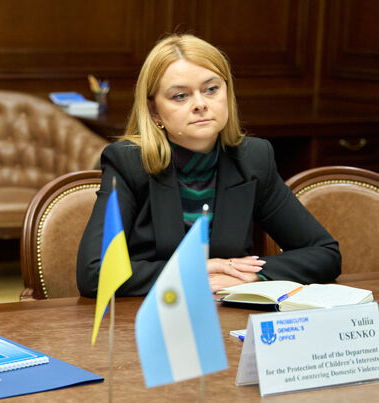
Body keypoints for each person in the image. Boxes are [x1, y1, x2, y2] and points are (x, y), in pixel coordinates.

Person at [77, 34, 341, 296]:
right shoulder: (129, 163)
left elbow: (325, 253)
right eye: (180, 96)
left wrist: (252, 275)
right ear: (154, 111)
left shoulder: (253, 159)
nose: (200, 104)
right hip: (150, 313)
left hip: (229, 313)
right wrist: (191, 273)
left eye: (211, 89)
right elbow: (94, 272)